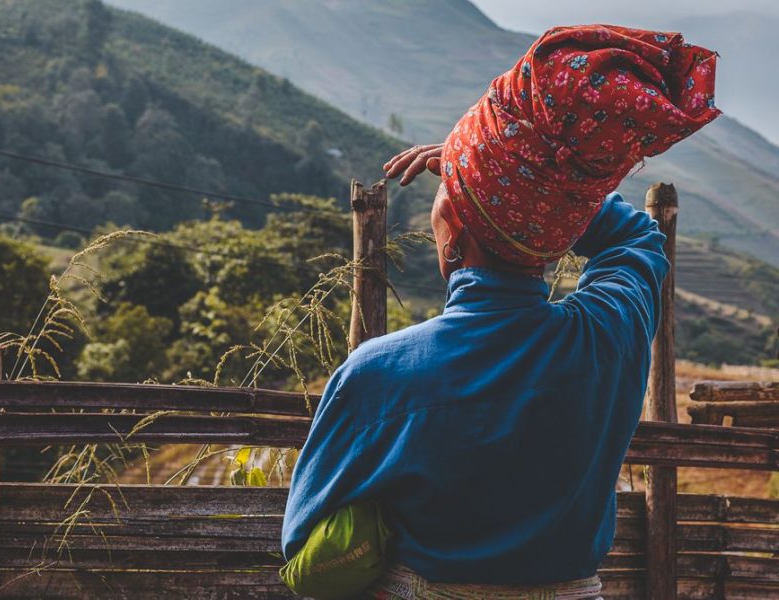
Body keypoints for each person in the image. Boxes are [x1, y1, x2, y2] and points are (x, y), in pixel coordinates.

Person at [282, 24, 720, 599]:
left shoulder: (376, 375)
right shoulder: (605, 341)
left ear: (453, 237)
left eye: (449, 194)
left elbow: (304, 545)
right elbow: (638, 241)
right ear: (555, 229)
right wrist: (529, 186)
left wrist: (500, 174)